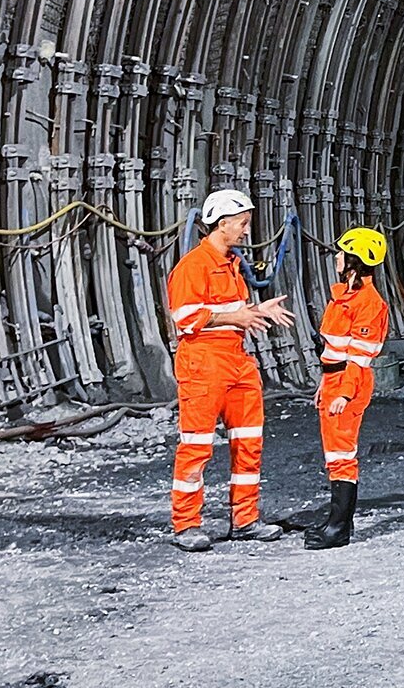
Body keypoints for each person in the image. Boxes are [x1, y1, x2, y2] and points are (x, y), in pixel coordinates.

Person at [165, 188, 296, 551]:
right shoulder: (193, 266)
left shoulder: (233, 265)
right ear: (222, 224)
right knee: (196, 446)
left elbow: (231, 311)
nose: (246, 230)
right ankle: (186, 524)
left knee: (249, 442)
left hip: (237, 360)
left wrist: (256, 310)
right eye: (242, 223)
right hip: (203, 362)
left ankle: (245, 519)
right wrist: (235, 315)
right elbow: (185, 317)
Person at [304, 226, 390, 549]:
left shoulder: (368, 303)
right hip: (334, 380)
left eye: (342, 253)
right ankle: (338, 523)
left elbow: (360, 357)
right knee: (334, 455)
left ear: (354, 260)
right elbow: (335, 350)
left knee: (342, 456)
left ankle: (338, 529)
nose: (337, 257)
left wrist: (343, 393)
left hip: (347, 384)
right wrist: (324, 385)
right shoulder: (345, 296)